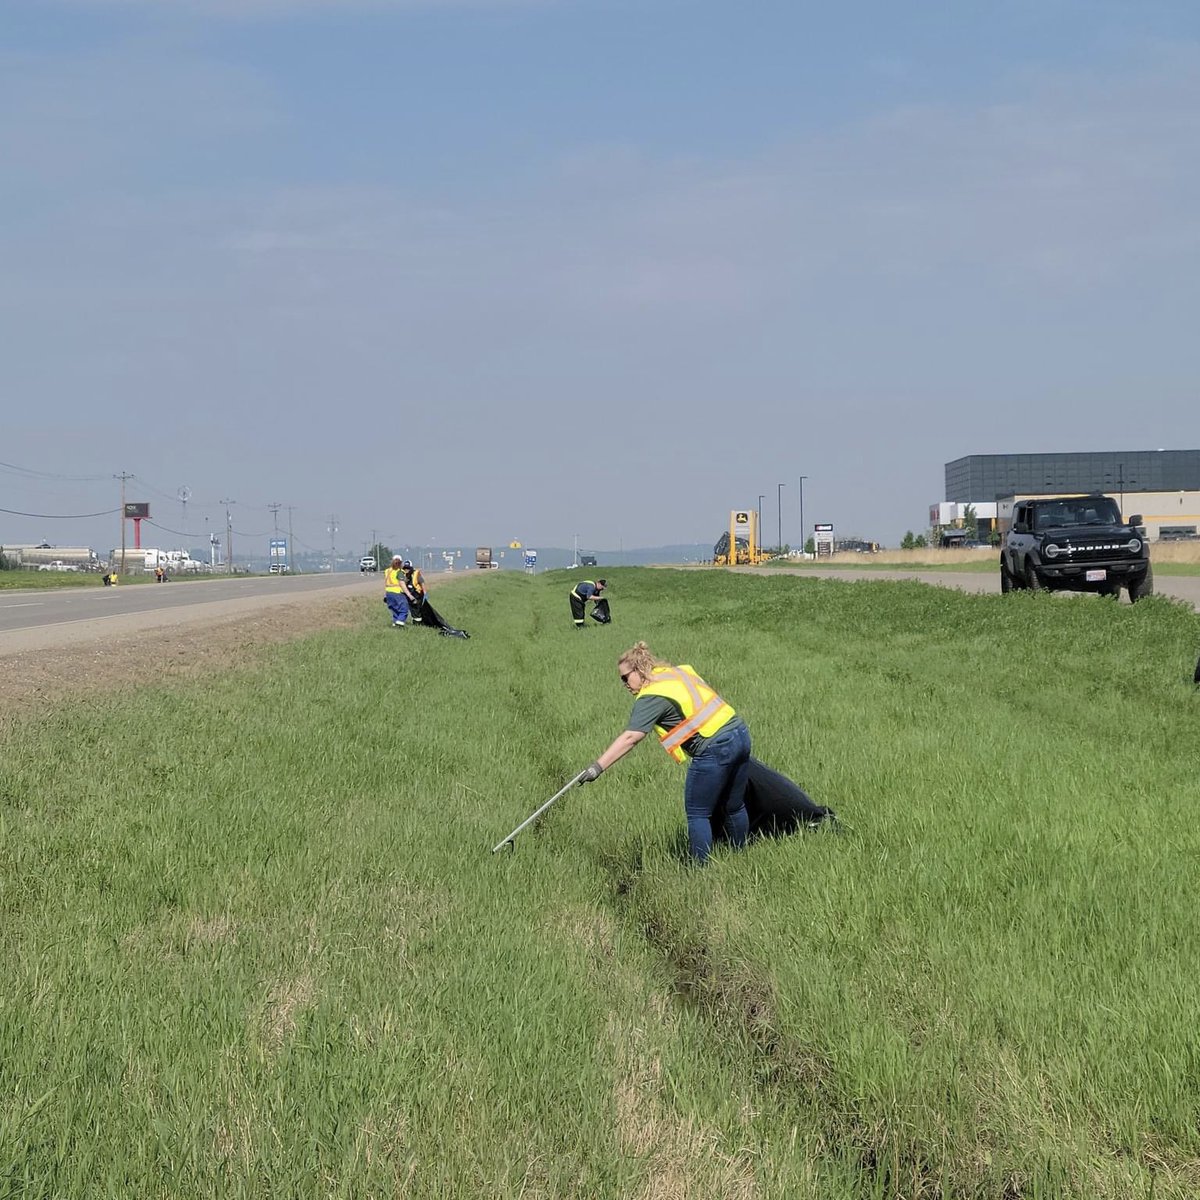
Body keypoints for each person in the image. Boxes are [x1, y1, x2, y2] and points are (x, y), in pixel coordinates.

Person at [578, 641, 751, 863]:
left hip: (714, 748)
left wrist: (597, 768)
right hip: (740, 733)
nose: (624, 685)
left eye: (625, 678)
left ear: (639, 671)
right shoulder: (674, 673)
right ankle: (740, 857)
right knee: (734, 805)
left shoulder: (651, 695)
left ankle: (700, 871)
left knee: (698, 813)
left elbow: (631, 737)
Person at [383, 555, 409, 627]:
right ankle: (400, 622)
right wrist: (409, 595)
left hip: (388, 593)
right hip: (398, 592)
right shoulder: (400, 572)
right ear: (401, 562)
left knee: (394, 610)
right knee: (404, 609)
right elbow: (402, 583)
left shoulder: (387, 571)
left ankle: (395, 623)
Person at [402, 560, 426, 624]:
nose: (406, 570)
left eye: (408, 568)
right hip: (411, 594)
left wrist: (425, 593)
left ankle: (418, 623)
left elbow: (422, 582)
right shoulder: (404, 575)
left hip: (418, 594)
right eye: (405, 568)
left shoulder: (416, 574)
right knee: (412, 609)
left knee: (416, 609)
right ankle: (415, 621)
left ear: (411, 568)